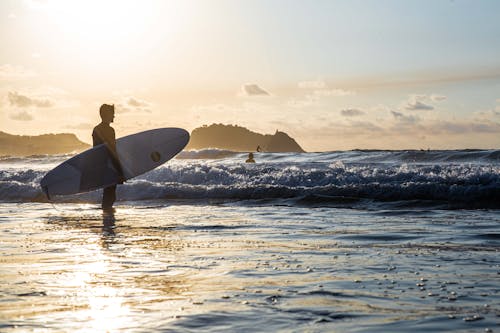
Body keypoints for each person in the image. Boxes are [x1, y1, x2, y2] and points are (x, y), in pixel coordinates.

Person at [92, 104, 125, 210]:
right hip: (110, 166)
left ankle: (106, 216)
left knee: (108, 193)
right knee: (110, 194)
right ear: (107, 115)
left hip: (101, 165)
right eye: (112, 114)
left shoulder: (96, 129)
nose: (114, 116)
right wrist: (119, 170)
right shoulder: (110, 130)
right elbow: (112, 150)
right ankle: (107, 218)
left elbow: (96, 150)